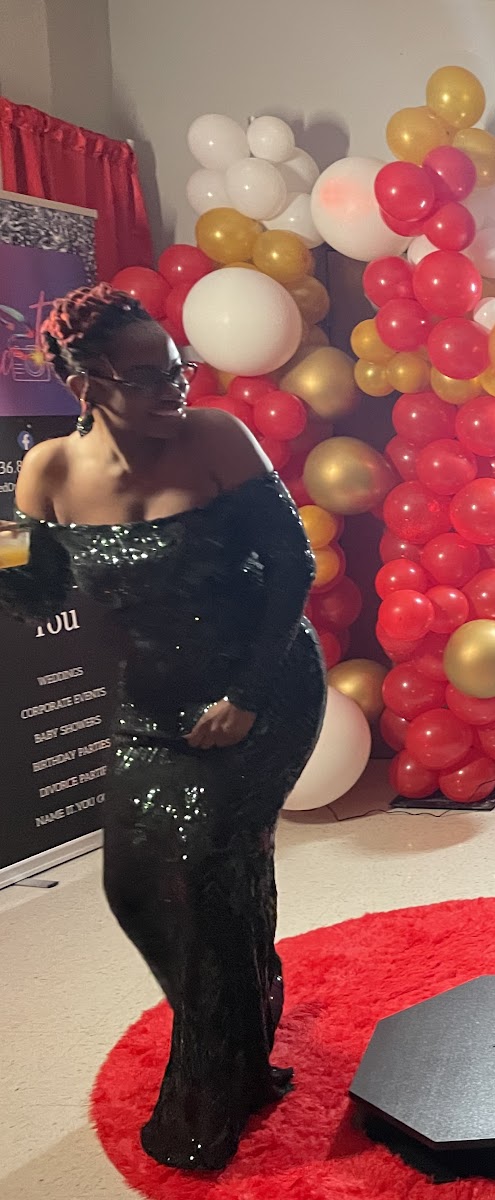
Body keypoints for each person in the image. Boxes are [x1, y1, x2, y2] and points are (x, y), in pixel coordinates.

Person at [0, 285, 324, 1171]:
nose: (174, 388)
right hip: (152, 702)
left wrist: (247, 695)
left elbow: (291, 566)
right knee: (136, 885)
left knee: (205, 865)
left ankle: (212, 1090)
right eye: (145, 377)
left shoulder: (217, 437)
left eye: (176, 368)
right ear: (83, 384)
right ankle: (238, 1024)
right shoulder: (48, 473)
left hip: (265, 683)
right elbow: (40, 593)